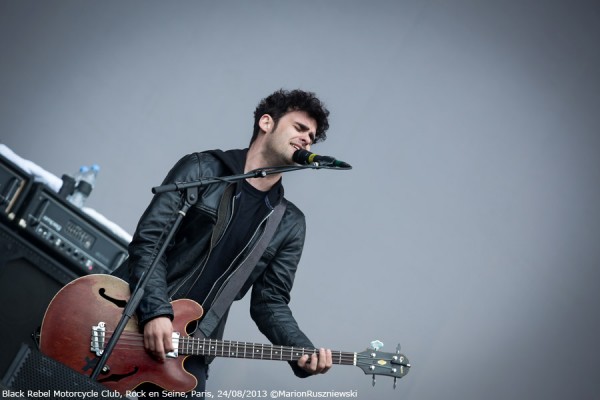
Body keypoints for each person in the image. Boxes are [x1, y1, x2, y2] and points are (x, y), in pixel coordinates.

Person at [123, 89, 334, 396]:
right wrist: (156, 311)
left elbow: (269, 302)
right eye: (299, 128)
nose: (307, 140)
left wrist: (301, 350)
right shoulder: (202, 169)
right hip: (129, 317)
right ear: (266, 123)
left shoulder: (288, 224)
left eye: (312, 137)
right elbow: (149, 242)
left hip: (192, 347)